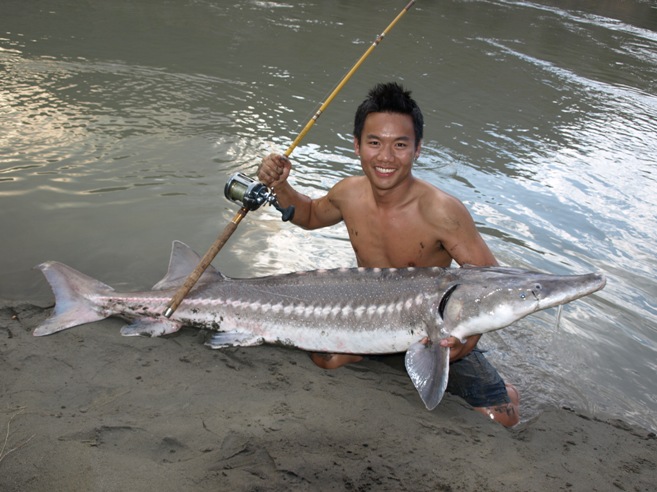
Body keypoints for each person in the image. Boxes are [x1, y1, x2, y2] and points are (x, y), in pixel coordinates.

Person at [257, 82, 519, 427]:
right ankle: (387, 359)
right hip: (372, 317)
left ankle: (510, 388)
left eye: (400, 145)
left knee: (499, 418)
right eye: (374, 143)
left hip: (430, 329)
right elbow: (306, 215)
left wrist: (464, 343)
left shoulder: (442, 211)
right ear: (357, 145)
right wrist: (281, 186)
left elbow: (489, 285)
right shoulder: (348, 193)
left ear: (418, 149)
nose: (385, 157)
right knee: (325, 360)